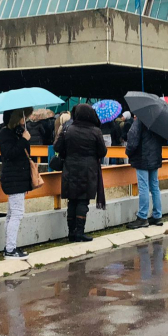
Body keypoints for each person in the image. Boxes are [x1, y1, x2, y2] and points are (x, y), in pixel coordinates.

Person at [54, 104, 107, 242]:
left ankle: (71, 232)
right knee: (83, 201)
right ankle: (80, 232)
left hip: (70, 168)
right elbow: (103, 152)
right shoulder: (95, 131)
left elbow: (57, 147)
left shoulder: (68, 129)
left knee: (72, 200)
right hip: (88, 170)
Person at [0, 108, 33, 260]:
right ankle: (10, 249)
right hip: (13, 179)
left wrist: (24, 138)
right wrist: (24, 140)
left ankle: (9, 246)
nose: (24, 118)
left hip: (18, 178)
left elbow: (24, 153)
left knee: (12, 214)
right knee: (17, 214)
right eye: (22, 116)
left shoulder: (17, 132)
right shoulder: (5, 134)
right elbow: (9, 154)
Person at [125, 117, 167, 229]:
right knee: (154, 186)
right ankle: (157, 216)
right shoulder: (158, 122)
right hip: (155, 157)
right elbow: (163, 140)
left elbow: (132, 141)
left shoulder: (139, 121)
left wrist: (128, 153)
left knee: (143, 187)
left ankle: (142, 217)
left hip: (142, 158)